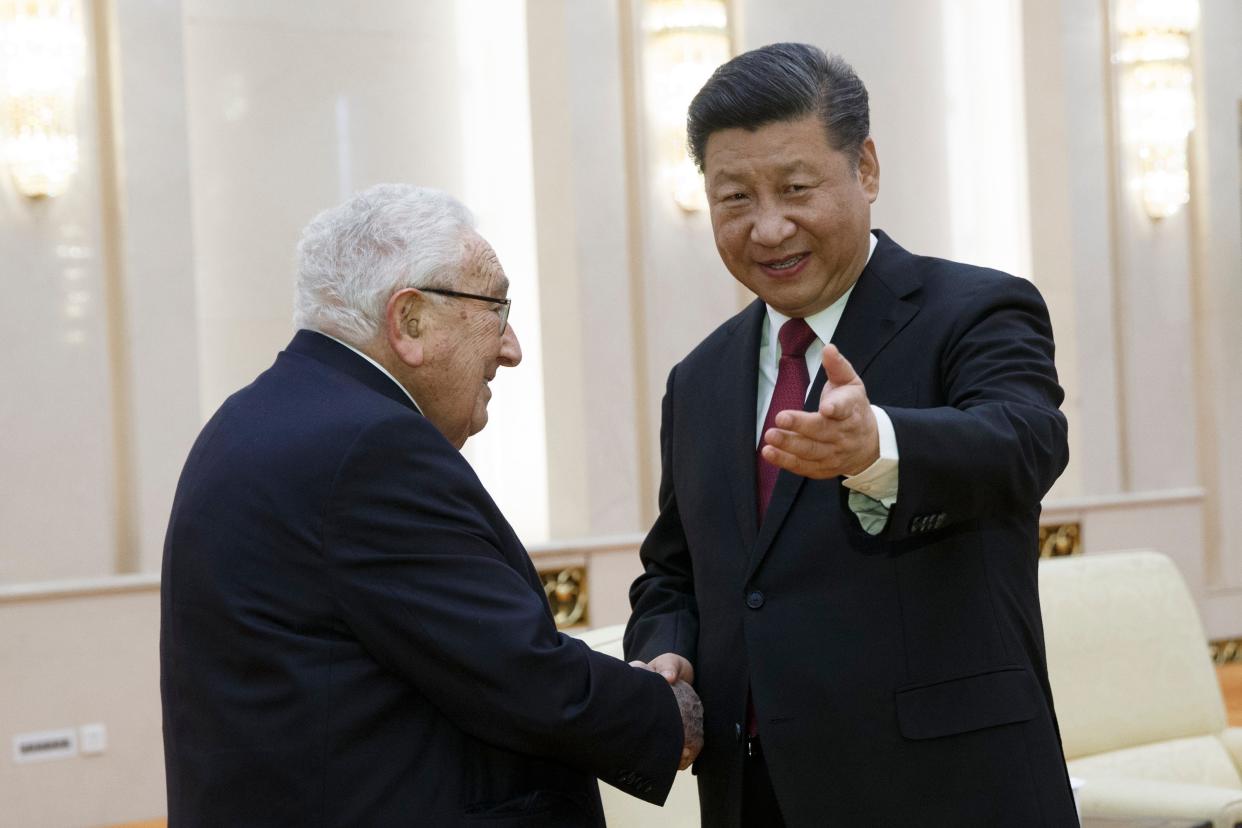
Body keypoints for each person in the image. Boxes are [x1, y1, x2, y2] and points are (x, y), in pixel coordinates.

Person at [624, 43, 1077, 826]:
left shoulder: (974, 309)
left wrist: (879, 451)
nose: (768, 228)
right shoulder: (697, 380)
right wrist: (664, 651)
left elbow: (1024, 441)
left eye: (796, 188)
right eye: (735, 198)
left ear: (864, 169)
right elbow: (673, 569)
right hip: (754, 794)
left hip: (945, 790)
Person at [160, 183, 702, 827]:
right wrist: (668, 712)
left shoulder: (254, 415)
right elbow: (516, 675)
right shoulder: (371, 447)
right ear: (410, 321)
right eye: (497, 309)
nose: (512, 348)